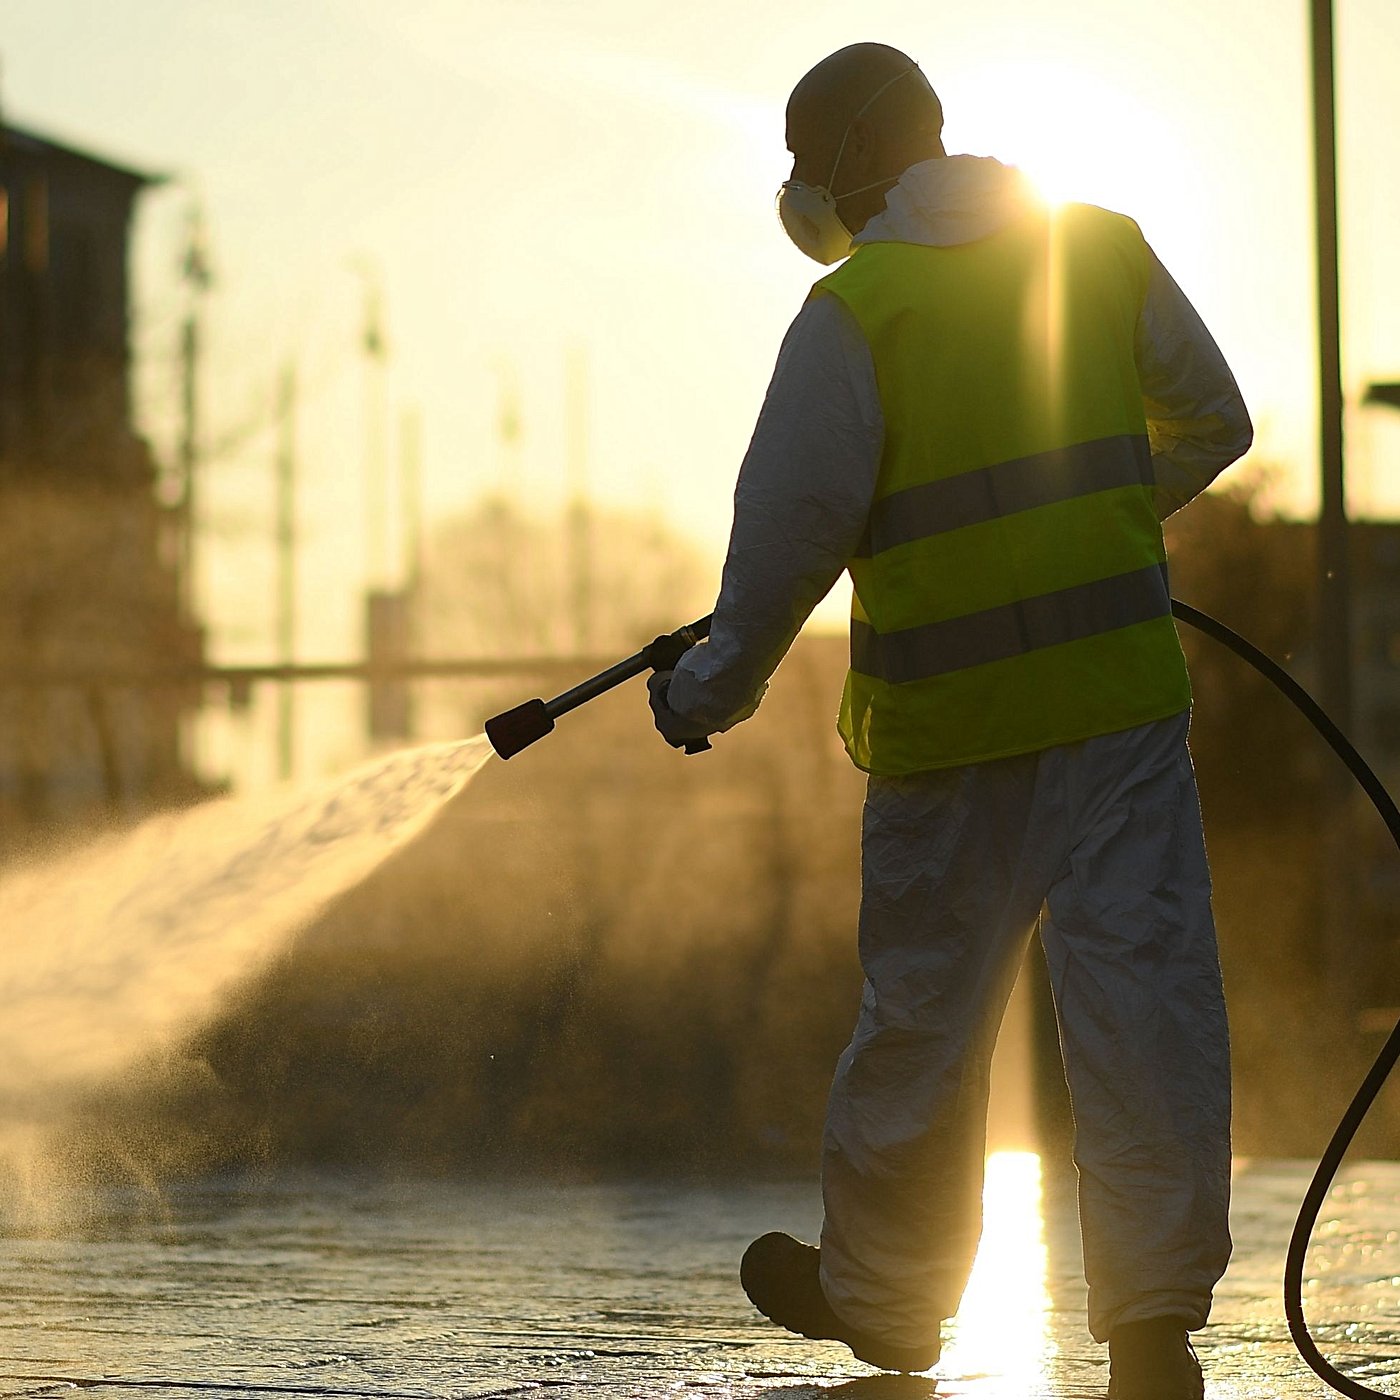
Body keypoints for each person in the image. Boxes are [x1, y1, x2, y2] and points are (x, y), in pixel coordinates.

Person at [647, 39, 1252, 1400]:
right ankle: (1152, 1325)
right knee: (1146, 1012)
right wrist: (1103, 526)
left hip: (949, 738)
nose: (805, 193)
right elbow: (1214, 421)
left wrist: (703, 692)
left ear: (848, 163)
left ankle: (885, 1306)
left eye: (808, 166)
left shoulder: (859, 313)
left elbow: (785, 546)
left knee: (924, 1025)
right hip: (1117, 722)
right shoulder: (1096, 250)